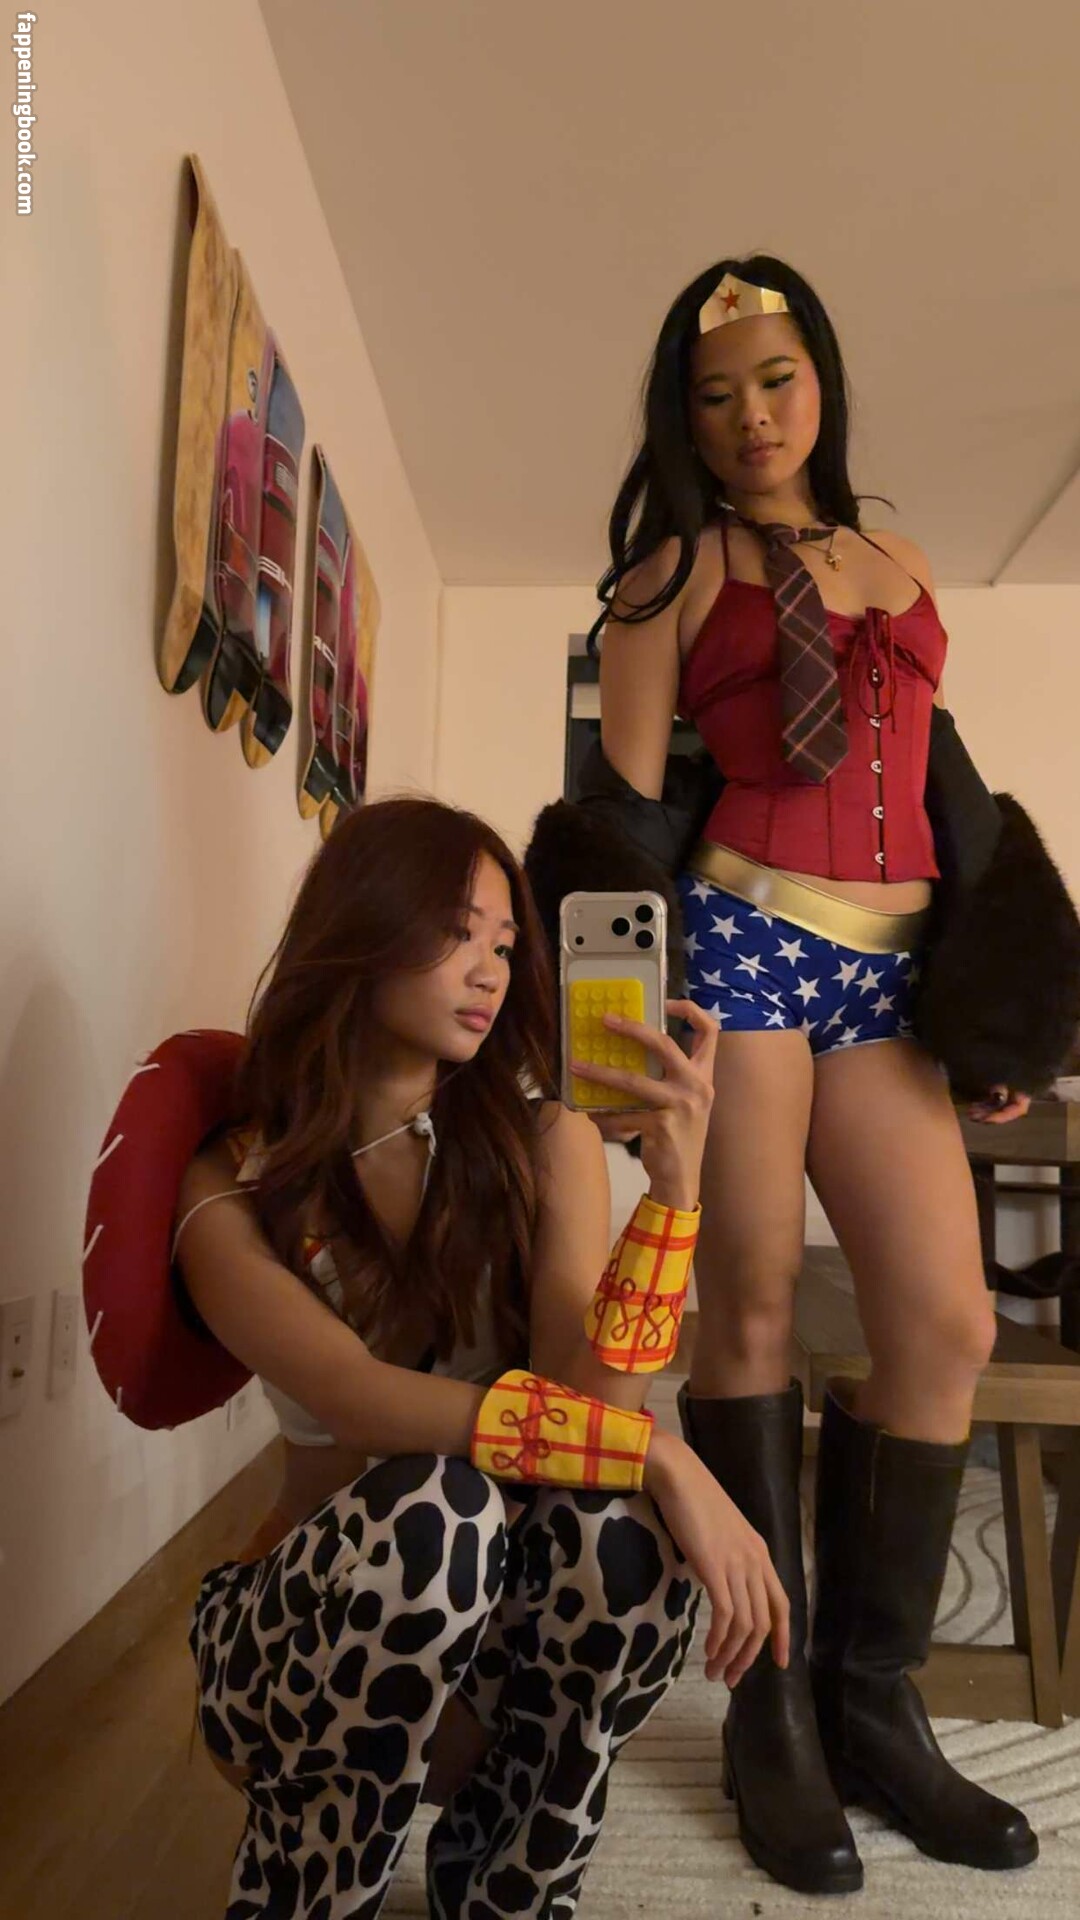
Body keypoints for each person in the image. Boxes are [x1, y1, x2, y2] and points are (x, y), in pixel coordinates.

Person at [577, 256, 1062, 1894]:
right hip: (741, 939)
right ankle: (770, 1703)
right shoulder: (665, 580)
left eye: (776, 380)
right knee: (754, 1310)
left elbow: (949, 790)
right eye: (715, 395)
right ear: (685, 416)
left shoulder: (899, 566)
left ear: (823, 381)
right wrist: (616, 1040)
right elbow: (617, 818)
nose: (752, 416)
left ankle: (875, 1702)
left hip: (889, 968)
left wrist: (998, 1008)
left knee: (947, 1323)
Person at [173, 794, 789, 1920]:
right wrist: (667, 1456)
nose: (491, 970)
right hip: (299, 1656)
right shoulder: (237, 1182)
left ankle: (513, 1886)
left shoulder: (543, 1137)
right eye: (458, 930)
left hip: (499, 1647)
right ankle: (308, 1887)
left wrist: (673, 1195)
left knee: (622, 1541)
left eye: (507, 943)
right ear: (363, 926)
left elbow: (587, 1395)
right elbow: (359, 1400)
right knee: (439, 1507)